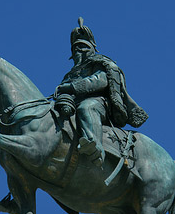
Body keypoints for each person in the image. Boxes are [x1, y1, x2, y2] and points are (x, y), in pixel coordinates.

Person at [54, 17, 148, 166]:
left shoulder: (100, 62)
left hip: (99, 103)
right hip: (71, 105)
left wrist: (72, 87)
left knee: (86, 108)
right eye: (76, 48)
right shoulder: (69, 74)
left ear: (91, 48)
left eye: (83, 47)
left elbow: (100, 80)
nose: (79, 50)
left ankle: (94, 146)